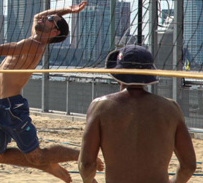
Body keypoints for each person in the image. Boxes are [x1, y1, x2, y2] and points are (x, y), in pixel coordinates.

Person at [0, 2, 102, 182]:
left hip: (12, 107)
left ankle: (83, 156)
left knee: (37, 155)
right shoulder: (35, 37)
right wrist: (68, 10)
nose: (43, 18)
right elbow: (37, 15)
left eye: (50, 20)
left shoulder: (34, 45)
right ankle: (48, 166)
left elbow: (0, 49)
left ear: (55, 32)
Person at [79, 45, 196, 183]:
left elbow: (86, 165)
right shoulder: (171, 108)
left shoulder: (100, 107)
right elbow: (189, 166)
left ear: (118, 73)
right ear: (149, 74)